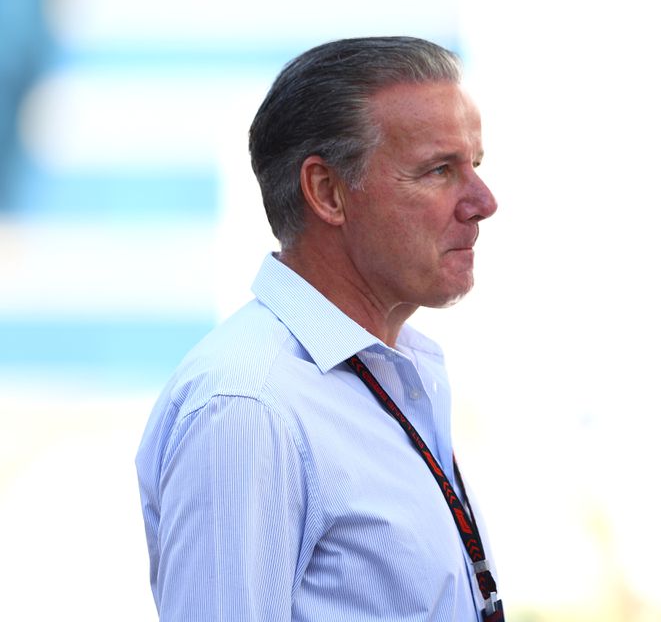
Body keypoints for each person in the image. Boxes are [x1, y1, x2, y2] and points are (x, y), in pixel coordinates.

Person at [136, 36, 505, 621]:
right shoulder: (248, 407)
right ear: (328, 193)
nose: (483, 202)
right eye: (439, 170)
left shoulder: (388, 370)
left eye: (474, 167)